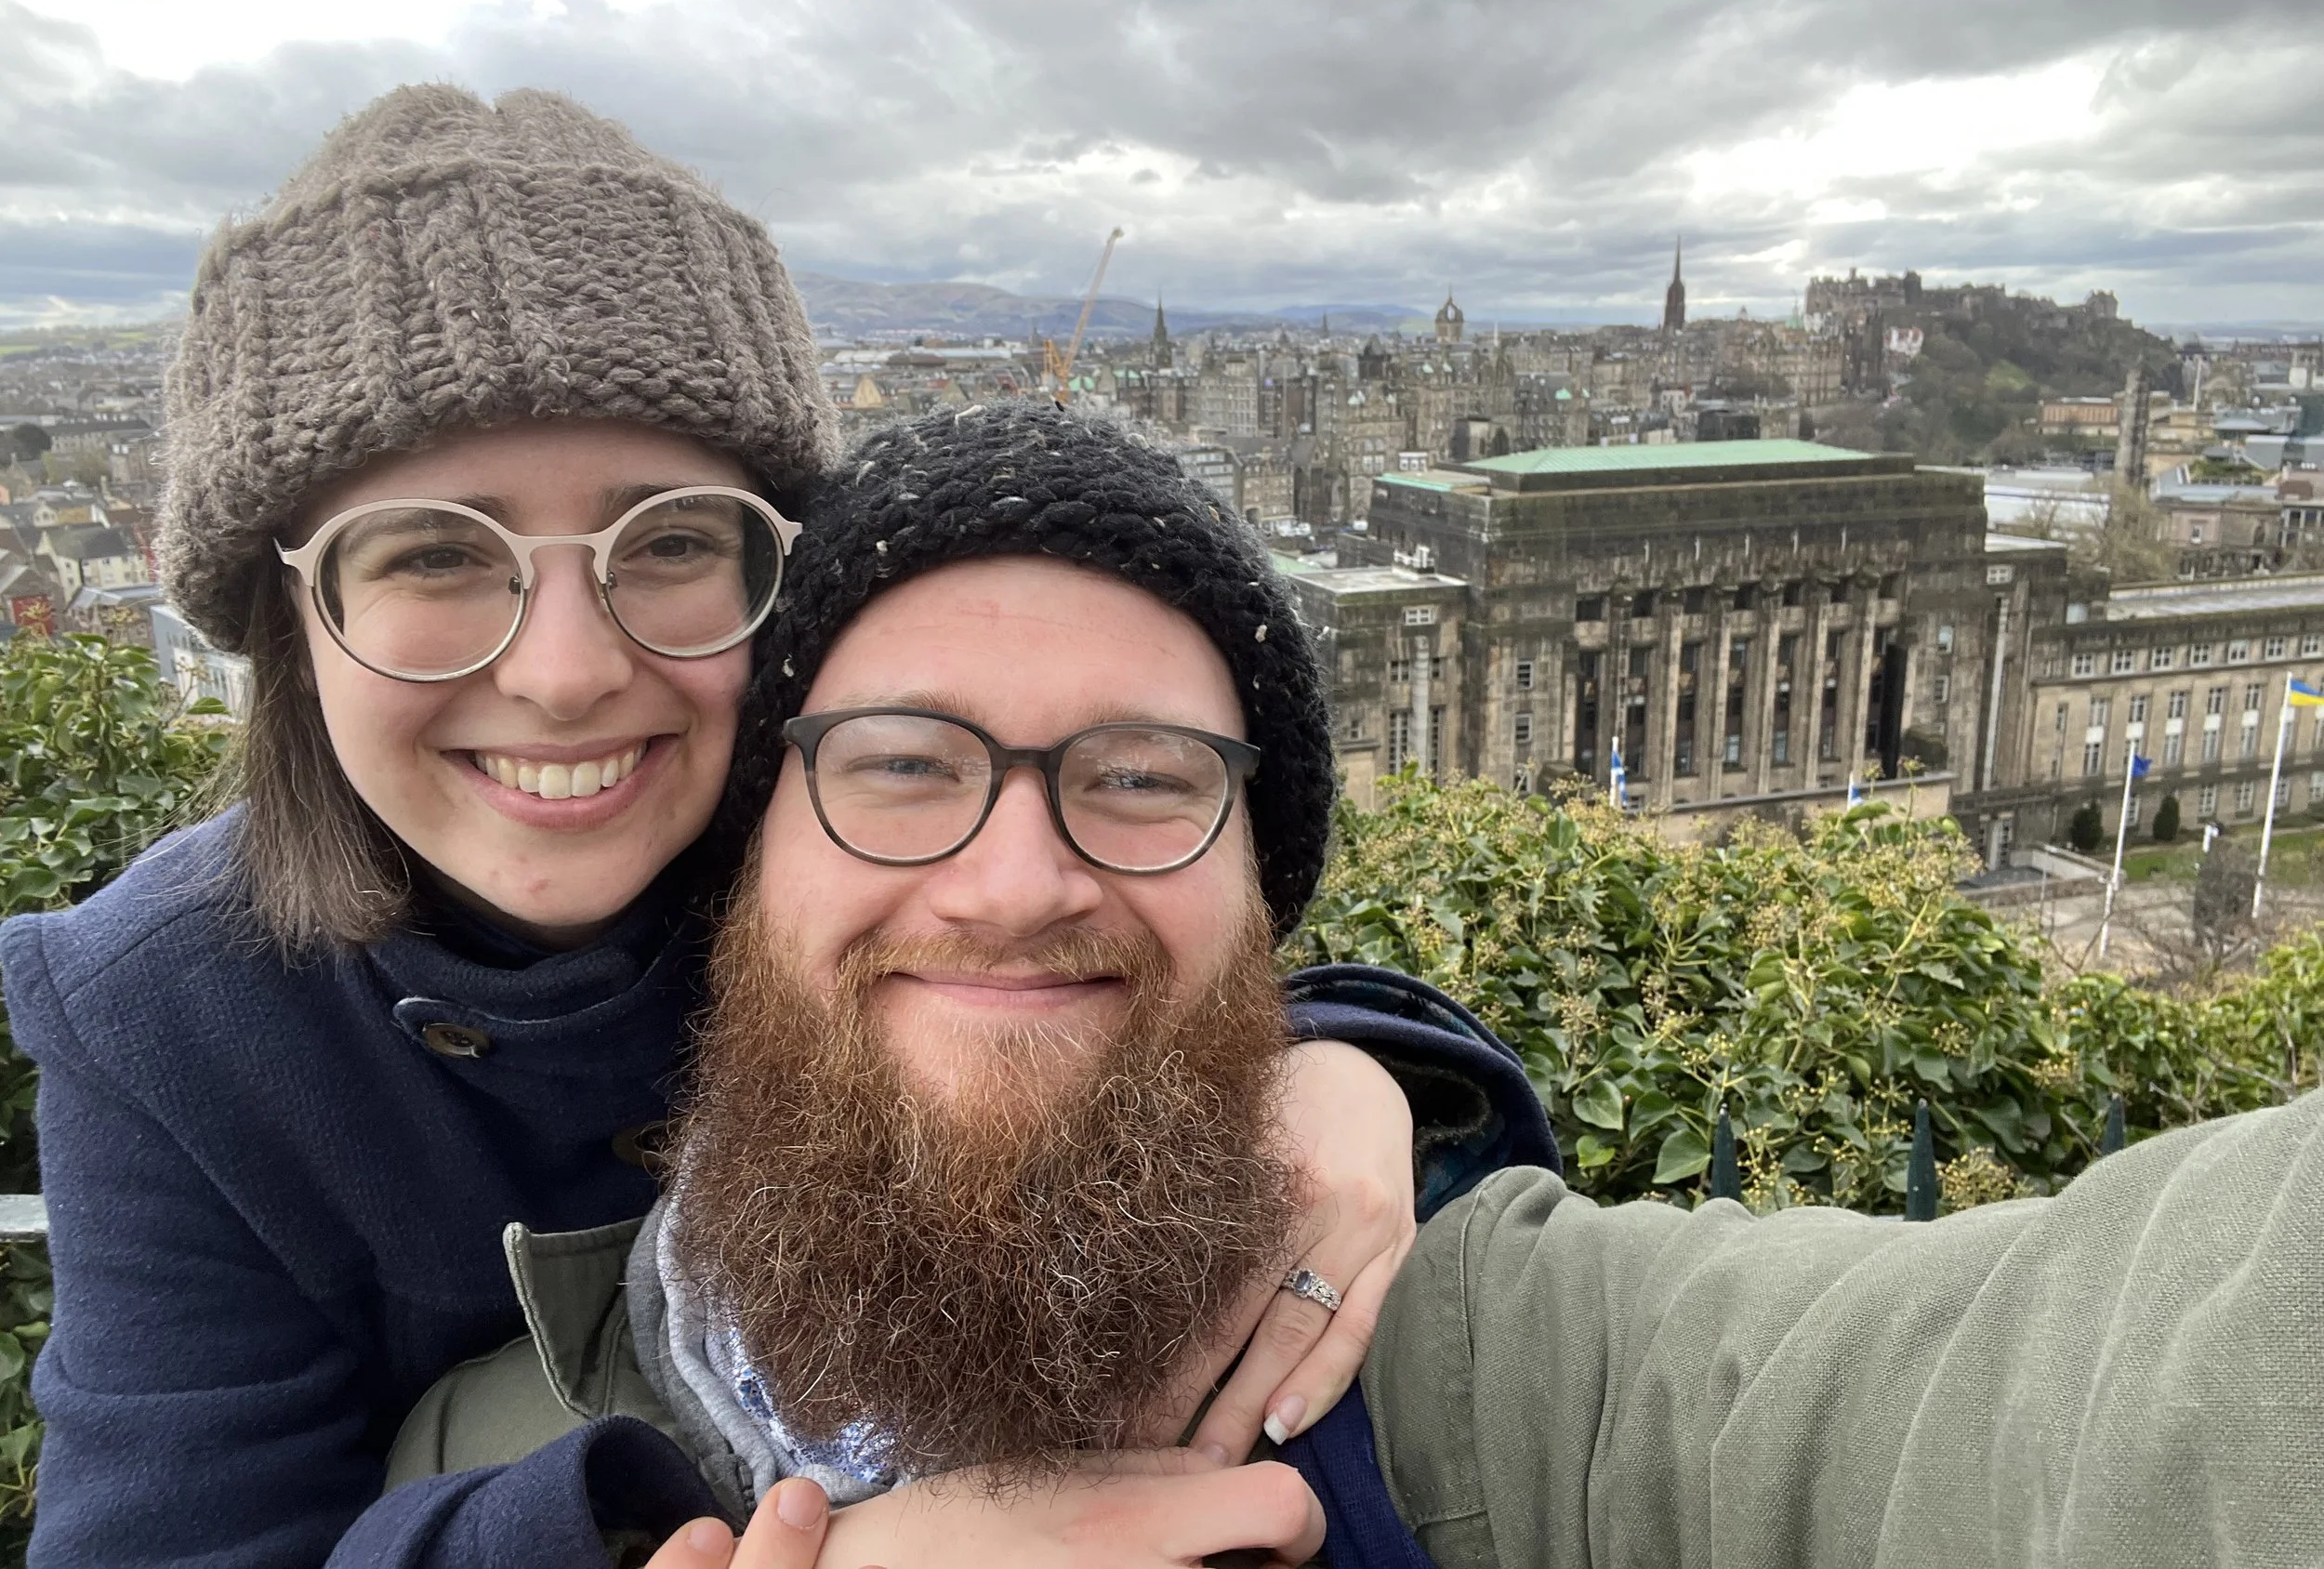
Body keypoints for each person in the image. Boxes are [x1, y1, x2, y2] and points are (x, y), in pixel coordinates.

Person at [0, 94, 1545, 1568]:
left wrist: (1335, 1061)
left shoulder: (843, 834)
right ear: (284, 619)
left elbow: (1102, 931)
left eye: (666, 542)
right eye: (427, 553)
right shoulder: (168, 1020)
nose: (565, 669)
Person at [394, 403, 2324, 1569]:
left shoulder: (1482, 1375)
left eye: (1142, 779)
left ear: (1262, 917)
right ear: (745, 866)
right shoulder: (477, 1464)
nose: (1012, 872)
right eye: (899, 762)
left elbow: (2099, 1384)